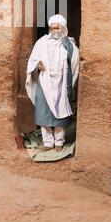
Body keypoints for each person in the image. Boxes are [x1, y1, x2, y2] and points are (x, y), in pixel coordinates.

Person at [25, 14, 79, 152]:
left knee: (60, 115)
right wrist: (38, 65)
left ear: (63, 28)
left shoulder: (68, 44)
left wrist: (65, 41)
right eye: (52, 28)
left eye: (57, 28)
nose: (55, 31)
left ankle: (59, 142)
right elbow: (33, 60)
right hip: (44, 83)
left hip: (61, 84)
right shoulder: (41, 42)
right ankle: (48, 143)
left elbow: (74, 63)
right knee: (44, 113)